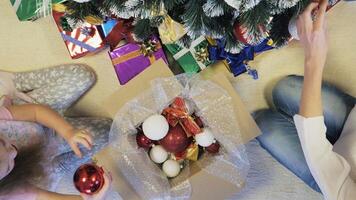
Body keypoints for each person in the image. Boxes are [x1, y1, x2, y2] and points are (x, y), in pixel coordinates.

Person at [254, 0, 356, 199]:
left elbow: (321, 158)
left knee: (263, 125)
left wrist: (314, 60)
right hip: (352, 123)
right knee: (285, 89)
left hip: (335, 179)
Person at [0, 65, 112, 200]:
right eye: (7, 168)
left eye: (2, 142)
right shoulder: (7, 191)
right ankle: (61, 166)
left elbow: (36, 112)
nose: (14, 152)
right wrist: (88, 199)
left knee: (83, 75)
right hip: (46, 158)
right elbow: (47, 197)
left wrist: (68, 131)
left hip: (35, 112)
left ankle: (17, 81)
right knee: (110, 131)